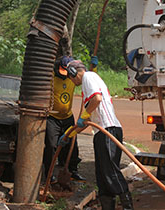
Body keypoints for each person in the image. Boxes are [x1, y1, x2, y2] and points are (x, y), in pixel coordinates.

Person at [59, 60, 134, 210]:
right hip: (101, 133)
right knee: (102, 176)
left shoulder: (88, 77)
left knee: (110, 172)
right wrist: (68, 134)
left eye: (70, 77)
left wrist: (84, 114)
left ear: (74, 72)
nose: (72, 81)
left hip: (108, 130)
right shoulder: (87, 84)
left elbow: (97, 99)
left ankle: (127, 206)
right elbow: (84, 121)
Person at [43, 56, 88, 183]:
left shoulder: (73, 79)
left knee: (72, 145)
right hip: (53, 118)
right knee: (51, 145)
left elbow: (89, 78)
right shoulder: (51, 77)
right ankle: (49, 174)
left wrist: (93, 67)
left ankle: (73, 171)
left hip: (67, 117)